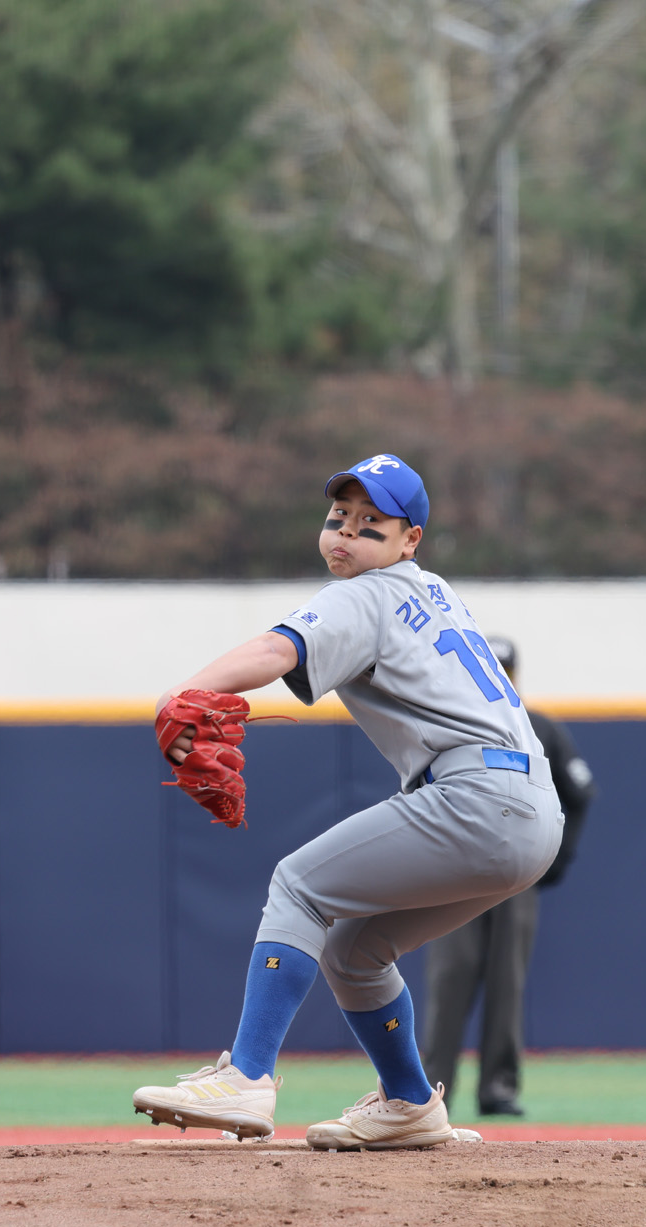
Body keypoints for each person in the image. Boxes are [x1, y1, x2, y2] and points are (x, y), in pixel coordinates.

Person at [132, 453, 563, 1150]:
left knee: (298, 885)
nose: (346, 534)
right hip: (530, 813)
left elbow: (278, 650)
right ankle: (411, 1102)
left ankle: (246, 1076)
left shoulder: (365, 593)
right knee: (355, 950)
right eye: (338, 518)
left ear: (408, 541)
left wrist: (182, 693)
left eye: (370, 524)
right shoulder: (432, 591)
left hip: (476, 796)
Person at [422, 639, 597, 1117]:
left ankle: (498, 1088)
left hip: (516, 875)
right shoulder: (450, 725)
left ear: (515, 674)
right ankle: (429, 1092)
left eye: (504, 668)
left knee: (507, 982)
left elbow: (581, 791)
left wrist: (557, 859)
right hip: (457, 872)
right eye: (490, 667)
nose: (498, 674)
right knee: (449, 979)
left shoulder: (538, 727)